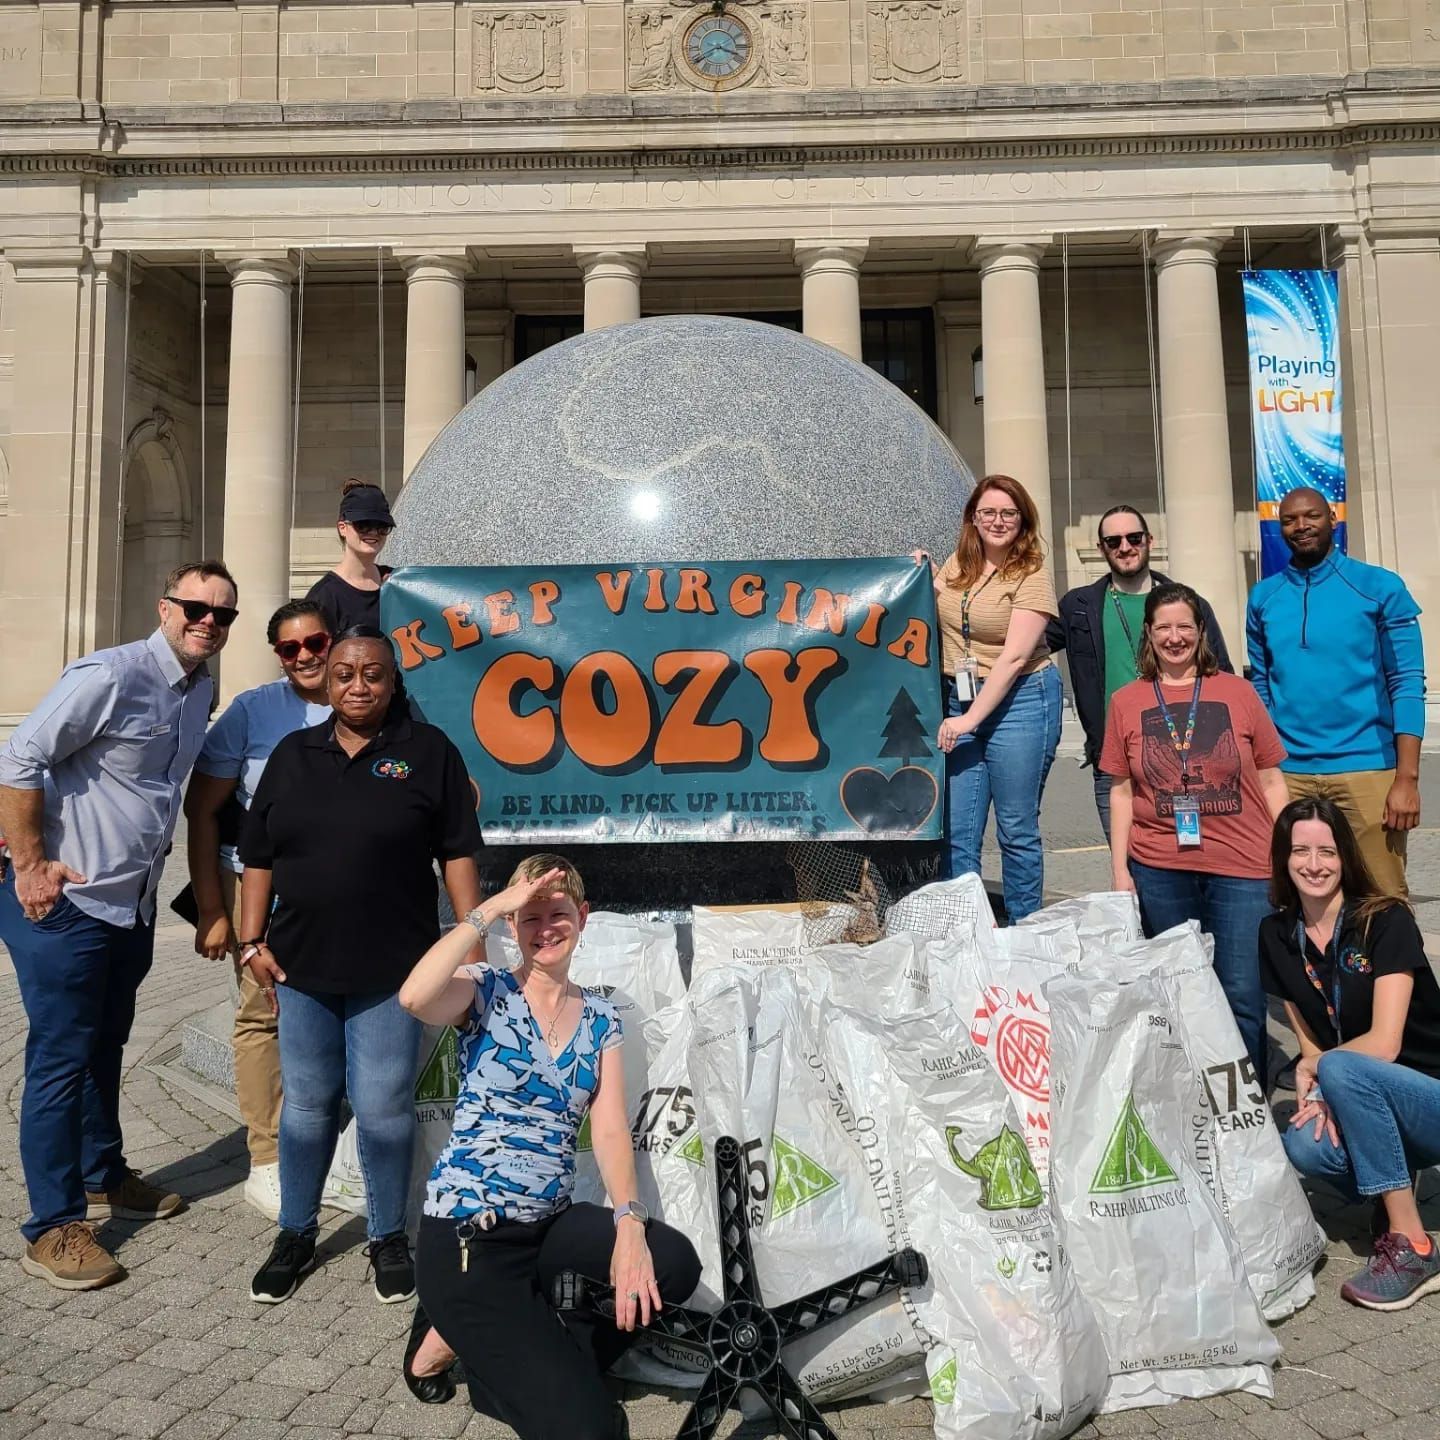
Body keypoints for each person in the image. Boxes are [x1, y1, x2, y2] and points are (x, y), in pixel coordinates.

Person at [400, 853, 702, 1437]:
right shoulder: (484, 992)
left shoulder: (599, 1017)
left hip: (548, 1229)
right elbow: (414, 998)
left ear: (582, 917)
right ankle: (452, 1338)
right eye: (529, 917)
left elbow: (611, 1128)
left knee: (671, 1265)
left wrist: (629, 1224)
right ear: (513, 926)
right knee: (596, 1430)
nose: (545, 929)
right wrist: (486, 911)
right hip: (471, 1237)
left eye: (557, 913)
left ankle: (507, 1367)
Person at [0, 561, 238, 1289]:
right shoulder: (109, 674)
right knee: (60, 1061)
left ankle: (104, 1174)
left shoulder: (201, 688)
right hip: (64, 904)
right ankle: (53, 1225)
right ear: (166, 606)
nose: (208, 621)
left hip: (128, 905)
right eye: (196, 607)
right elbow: (20, 757)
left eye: (222, 615)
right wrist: (30, 863)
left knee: (106, 1045)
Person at [238, 627, 482, 1305]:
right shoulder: (293, 755)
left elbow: (458, 850)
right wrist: (250, 941)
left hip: (393, 973)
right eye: (344, 673)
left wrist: (473, 938)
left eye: (372, 674)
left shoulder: (427, 752)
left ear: (393, 680)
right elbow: (257, 856)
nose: (358, 685)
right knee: (308, 1110)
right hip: (301, 968)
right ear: (326, 681)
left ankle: (386, 1236)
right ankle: (295, 1232)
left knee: (381, 1110)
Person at [183, 600, 334, 1220]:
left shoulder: (373, 692)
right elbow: (202, 810)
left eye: (315, 642)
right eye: (289, 648)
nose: (304, 656)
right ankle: (268, 1157)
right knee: (260, 1012)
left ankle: (334, 1140)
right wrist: (212, 909)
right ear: (277, 654)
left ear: (334, 640)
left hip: (347, 887)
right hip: (259, 887)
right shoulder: (253, 709)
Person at [1102, 582, 1289, 1081]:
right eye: (1163, 627)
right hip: (1161, 866)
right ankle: (1188, 1096)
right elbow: (1120, 791)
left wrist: (1285, 852)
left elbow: (1271, 778)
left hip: (1244, 866)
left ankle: (1247, 1103)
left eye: (1185, 625)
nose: (1174, 637)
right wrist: (1120, 870)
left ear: (1201, 631)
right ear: (1149, 635)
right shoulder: (1126, 701)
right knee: (1176, 988)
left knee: (1242, 993)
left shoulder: (1238, 691)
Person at [1261, 796, 1440, 1311]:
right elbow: (1311, 1040)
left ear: (1346, 858)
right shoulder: (1274, 934)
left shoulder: (1384, 920)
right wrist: (1319, 1086)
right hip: (1365, 1094)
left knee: (1342, 1065)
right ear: (1282, 857)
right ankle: (1395, 1185)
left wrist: (1320, 1074)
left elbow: (1384, 1044)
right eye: (1300, 851)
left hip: (1428, 1093)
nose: (1314, 865)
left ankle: (1416, 1247)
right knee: (1304, 1144)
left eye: (1328, 852)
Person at [1247, 486, 1425, 897]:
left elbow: (1407, 682)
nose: (1301, 526)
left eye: (1311, 516)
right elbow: (1261, 682)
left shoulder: (1380, 587)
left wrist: (1407, 779)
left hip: (1368, 769)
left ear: (1332, 518)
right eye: (1289, 520)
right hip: (1290, 774)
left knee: (1382, 900)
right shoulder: (1263, 597)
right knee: (1295, 899)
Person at [922, 474, 1062, 922]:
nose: (998, 522)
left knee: (1016, 829)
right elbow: (928, 604)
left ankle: (1024, 931)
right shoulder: (958, 563)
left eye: (1008, 513)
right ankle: (967, 932)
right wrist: (914, 573)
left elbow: (1016, 655)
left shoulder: (1032, 570)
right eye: (989, 513)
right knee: (958, 830)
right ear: (973, 518)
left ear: (1022, 520)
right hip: (960, 696)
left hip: (1021, 698)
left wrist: (968, 720)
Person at [1046, 505, 1232, 839]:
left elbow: (1221, 675)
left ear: (1149, 540)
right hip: (1114, 763)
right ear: (1102, 548)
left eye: (1133, 538)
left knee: (1187, 862)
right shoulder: (1079, 606)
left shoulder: (1189, 604)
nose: (1125, 547)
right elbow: (1022, 641)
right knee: (1127, 869)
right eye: (1113, 541)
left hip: (1184, 760)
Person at [305, 479, 395, 635]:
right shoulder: (324, 596)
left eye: (382, 526)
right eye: (363, 525)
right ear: (342, 528)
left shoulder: (398, 581)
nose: (373, 532)